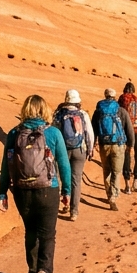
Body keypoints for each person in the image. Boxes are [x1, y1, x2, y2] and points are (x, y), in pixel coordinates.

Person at [0, 95, 71, 273]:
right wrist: (67, 191)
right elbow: (64, 164)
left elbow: (6, 165)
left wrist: (2, 192)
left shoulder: (14, 133)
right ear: (44, 111)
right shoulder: (53, 133)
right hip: (49, 189)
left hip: (22, 190)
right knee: (47, 233)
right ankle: (44, 272)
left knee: (30, 231)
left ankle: (32, 272)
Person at [53, 89, 94, 221]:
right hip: (79, 150)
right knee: (76, 180)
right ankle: (74, 212)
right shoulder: (83, 114)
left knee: (61, 178)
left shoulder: (59, 113)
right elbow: (89, 133)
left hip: (62, 150)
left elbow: (54, 132)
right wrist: (90, 149)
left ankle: (63, 203)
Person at [91, 87, 129, 210]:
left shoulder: (98, 111)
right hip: (118, 144)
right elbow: (128, 128)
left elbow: (93, 130)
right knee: (116, 172)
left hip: (104, 144)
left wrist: (93, 145)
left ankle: (109, 194)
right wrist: (131, 144)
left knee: (106, 171)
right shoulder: (120, 110)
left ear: (105, 95)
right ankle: (114, 195)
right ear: (114, 96)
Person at [119, 82, 137, 194]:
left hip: (125, 132)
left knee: (126, 156)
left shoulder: (121, 100)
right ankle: (136, 181)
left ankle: (127, 185)